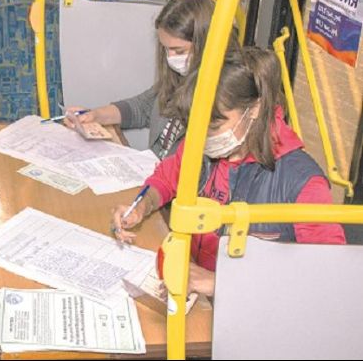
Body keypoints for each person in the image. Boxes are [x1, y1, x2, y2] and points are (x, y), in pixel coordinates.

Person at [112, 48, 346, 297]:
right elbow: (167, 178)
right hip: (199, 292)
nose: (203, 137)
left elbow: (326, 279)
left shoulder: (302, 183)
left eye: (214, 125)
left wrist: (221, 283)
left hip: (253, 309)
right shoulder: (201, 148)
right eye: (197, 125)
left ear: (254, 109)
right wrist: (141, 205)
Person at [66, 0, 239, 160]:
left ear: (206, 45)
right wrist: (95, 115)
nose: (171, 57)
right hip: (154, 172)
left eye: (179, 51)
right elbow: (141, 107)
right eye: (165, 49)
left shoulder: (225, 99)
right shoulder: (178, 79)